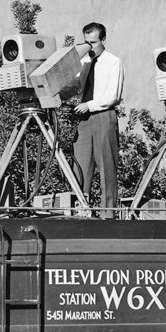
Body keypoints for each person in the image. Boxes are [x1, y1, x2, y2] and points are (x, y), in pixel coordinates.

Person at [60, 22, 124, 219]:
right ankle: (80, 213)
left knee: (106, 166)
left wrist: (90, 105)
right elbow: (71, 86)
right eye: (86, 42)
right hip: (85, 119)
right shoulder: (84, 63)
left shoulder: (114, 62)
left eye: (93, 42)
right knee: (80, 166)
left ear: (103, 40)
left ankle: (108, 215)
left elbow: (113, 95)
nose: (90, 47)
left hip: (104, 116)